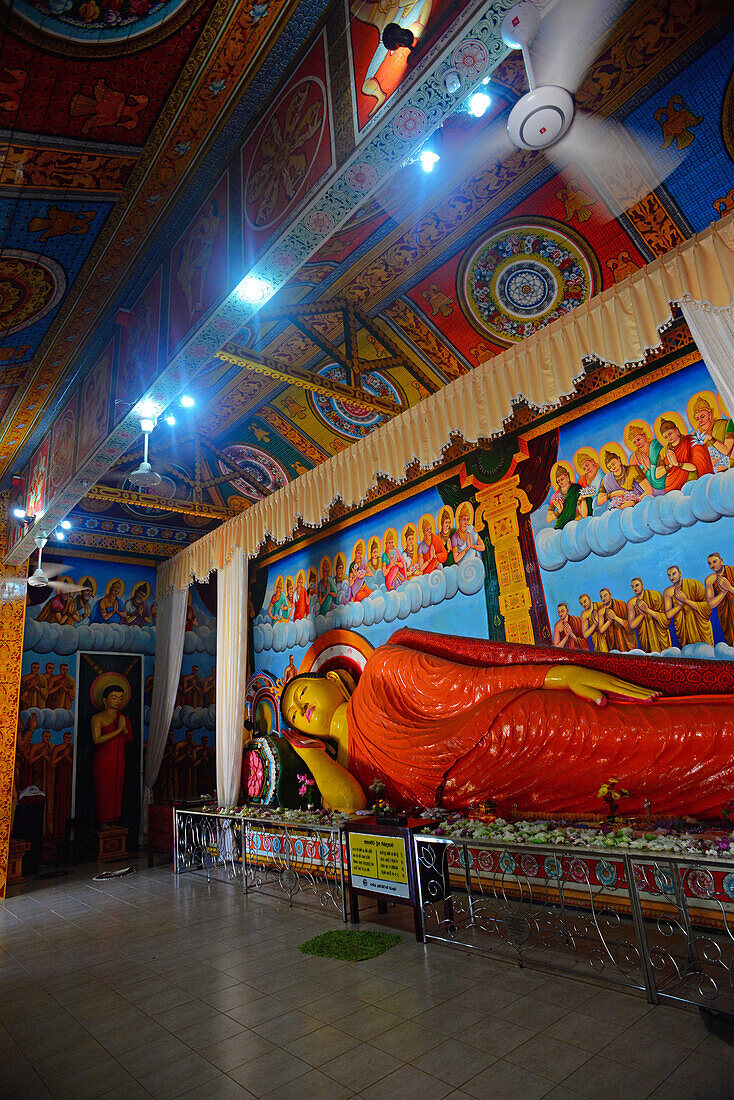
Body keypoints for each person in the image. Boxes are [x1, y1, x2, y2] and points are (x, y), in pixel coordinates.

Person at [279, 629, 734, 818]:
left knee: (658, 738)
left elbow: (475, 684)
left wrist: (557, 675)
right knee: (648, 793)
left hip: (514, 731)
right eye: (292, 713)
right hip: (499, 795)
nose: (299, 707)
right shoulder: (344, 768)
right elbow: (351, 807)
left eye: (301, 692)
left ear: (337, 680)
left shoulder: (381, 671)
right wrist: (307, 752)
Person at [91, 685, 133, 828]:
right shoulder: (97, 718)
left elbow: (129, 739)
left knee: (116, 789)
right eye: (114, 697)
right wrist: (119, 730)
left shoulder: (123, 718)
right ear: (105, 700)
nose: (117, 701)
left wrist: (125, 729)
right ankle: (103, 820)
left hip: (118, 759)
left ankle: (114, 819)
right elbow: (97, 739)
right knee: (103, 789)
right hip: (103, 760)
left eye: (120, 698)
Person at [656, 418, 713, 491]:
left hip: (691, 482)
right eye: (666, 437)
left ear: (676, 431)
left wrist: (677, 464)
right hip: (671, 487)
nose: (669, 437)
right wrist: (670, 466)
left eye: (670, 434)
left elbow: (695, 467)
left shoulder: (690, 441)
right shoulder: (664, 451)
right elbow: (657, 475)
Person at [663, 565, 714, 647]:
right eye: (669, 575)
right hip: (683, 627)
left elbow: (707, 606)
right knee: (688, 651)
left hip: (700, 626)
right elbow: (668, 615)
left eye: (674, 573)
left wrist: (685, 600)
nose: (672, 577)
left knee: (705, 651)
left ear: (679, 573)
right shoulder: (667, 592)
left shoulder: (694, 584)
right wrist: (679, 606)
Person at [690, 396, 733, 473]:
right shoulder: (694, 435)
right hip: (709, 469)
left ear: (710, 414)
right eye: (697, 419)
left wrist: (711, 439)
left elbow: (726, 451)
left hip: (728, 464)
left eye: (702, 416)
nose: (700, 420)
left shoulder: (724, 424)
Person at [627, 577, 671, 653]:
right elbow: (632, 625)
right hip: (645, 637)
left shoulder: (655, 595)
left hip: (660, 635)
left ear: (642, 585)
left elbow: (665, 619)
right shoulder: (631, 602)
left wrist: (647, 610)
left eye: (637, 585)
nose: (635, 588)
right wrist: (641, 614)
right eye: (632, 587)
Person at [625, 423, 665, 495]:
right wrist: (646, 469)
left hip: (661, 476)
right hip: (647, 484)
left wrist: (651, 467)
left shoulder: (654, 445)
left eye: (638, 439)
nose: (637, 443)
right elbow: (635, 476)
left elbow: (664, 460)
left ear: (644, 436)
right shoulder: (634, 457)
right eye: (634, 442)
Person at [705, 552, 734, 646]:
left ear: (721, 560)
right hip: (724, 614)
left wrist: (729, 588)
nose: (712, 565)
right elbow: (711, 604)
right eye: (709, 563)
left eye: (714, 561)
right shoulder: (710, 580)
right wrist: (724, 592)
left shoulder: (732, 571)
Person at [596, 587, 636, 652]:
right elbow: (601, 630)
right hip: (612, 639)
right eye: (601, 597)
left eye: (605, 596)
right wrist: (609, 621)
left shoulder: (621, 604)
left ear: (610, 595)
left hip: (624, 638)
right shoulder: (601, 611)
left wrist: (615, 617)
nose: (603, 598)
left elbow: (629, 625)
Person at [51, 733, 73, 840]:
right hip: (60, 776)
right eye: (66, 738)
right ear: (63, 738)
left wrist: (68, 758)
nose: (68, 740)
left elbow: (75, 763)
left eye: (70, 738)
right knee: (60, 798)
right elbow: (53, 762)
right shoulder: (58, 748)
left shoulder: (73, 747)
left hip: (69, 777)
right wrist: (63, 756)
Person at [546, 464, 581, 529]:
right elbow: (548, 518)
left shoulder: (576, 489)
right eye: (558, 481)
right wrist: (559, 511)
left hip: (576, 521)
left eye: (562, 479)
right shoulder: (555, 496)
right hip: (561, 525)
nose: (560, 482)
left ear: (567, 477)